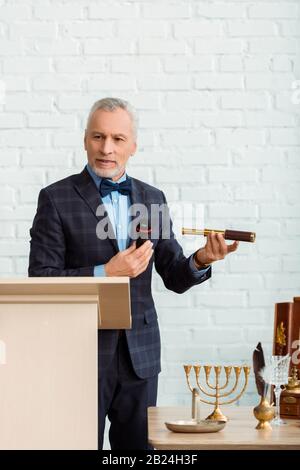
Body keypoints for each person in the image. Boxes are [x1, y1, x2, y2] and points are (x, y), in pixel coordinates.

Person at [28, 97, 239, 450]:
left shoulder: (152, 199)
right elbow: (41, 279)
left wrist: (201, 259)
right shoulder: (55, 198)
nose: (106, 148)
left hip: (140, 357)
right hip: (79, 354)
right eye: (98, 137)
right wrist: (105, 273)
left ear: (133, 146)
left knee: (139, 453)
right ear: (85, 140)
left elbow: (173, 274)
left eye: (117, 139)